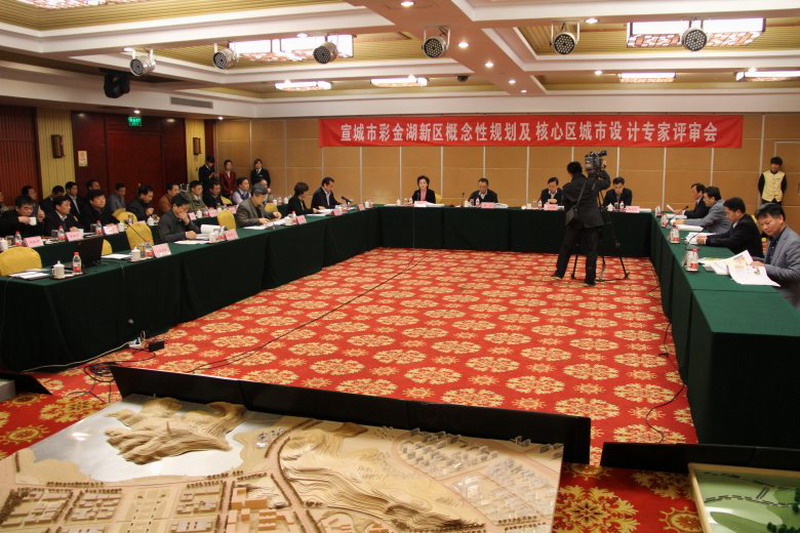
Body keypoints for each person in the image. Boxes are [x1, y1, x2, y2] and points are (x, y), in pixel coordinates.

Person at [553, 161, 611, 286]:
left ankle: (559, 272)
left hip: (576, 221)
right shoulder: (592, 182)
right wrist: (601, 169)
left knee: (566, 247)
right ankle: (589, 279)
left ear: (570, 173)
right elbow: (607, 182)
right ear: (581, 170)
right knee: (591, 250)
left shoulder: (568, 187)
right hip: (592, 220)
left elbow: (566, 205)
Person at [752, 203, 800, 310]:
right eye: (761, 225)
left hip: (787, 294)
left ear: (780, 219)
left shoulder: (793, 242)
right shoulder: (775, 236)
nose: (764, 227)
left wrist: (764, 267)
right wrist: (754, 259)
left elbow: (796, 274)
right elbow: (775, 262)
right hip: (772, 284)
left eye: (767, 223)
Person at [695, 197, 762, 258]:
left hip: (751, 259)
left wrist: (707, 241)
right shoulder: (738, 220)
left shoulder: (745, 224)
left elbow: (731, 242)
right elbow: (727, 235)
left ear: (738, 212)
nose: (726, 217)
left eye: (728, 213)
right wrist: (708, 237)